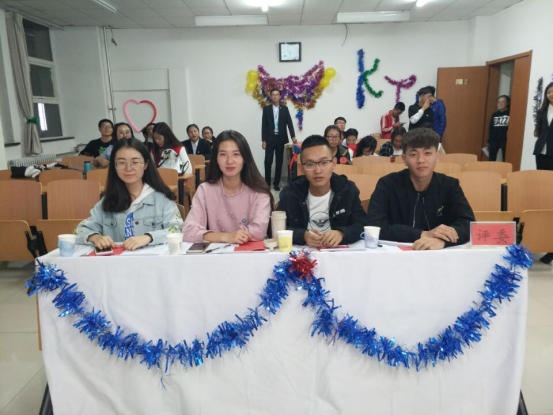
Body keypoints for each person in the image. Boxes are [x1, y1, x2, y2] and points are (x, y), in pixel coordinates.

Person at [367, 128, 474, 250]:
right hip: (396, 255)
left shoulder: (450, 185)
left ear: (437, 156)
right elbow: (374, 225)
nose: (420, 160)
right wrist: (423, 234)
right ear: (404, 159)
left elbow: (468, 224)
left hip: (440, 255)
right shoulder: (387, 184)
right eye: (413, 154)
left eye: (427, 153)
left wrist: (442, 241)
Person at [75, 138, 182, 250]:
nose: (128, 168)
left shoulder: (162, 199)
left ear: (145, 164)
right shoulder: (107, 201)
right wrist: (96, 237)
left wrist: (149, 237)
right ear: (114, 166)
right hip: (117, 260)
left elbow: (178, 229)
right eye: (121, 163)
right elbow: (80, 230)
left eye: (135, 162)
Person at [182, 130, 272, 244]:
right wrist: (225, 236)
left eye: (236, 154)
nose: (229, 161)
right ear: (216, 158)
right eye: (223, 154)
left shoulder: (259, 191)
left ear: (245, 158)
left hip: (249, 253)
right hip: (215, 254)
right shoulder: (205, 190)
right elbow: (188, 231)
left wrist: (216, 236)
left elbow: (258, 232)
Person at [277, 135, 366, 247]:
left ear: (333, 164)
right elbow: (276, 228)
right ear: (301, 168)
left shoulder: (347, 189)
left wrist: (342, 233)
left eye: (324, 163)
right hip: (302, 253)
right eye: (310, 164)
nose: (318, 171)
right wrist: (302, 236)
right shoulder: (290, 192)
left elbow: (361, 223)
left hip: (338, 252)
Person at [261, 88, 296, 191]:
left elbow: (289, 123)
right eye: (273, 94)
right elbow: (264, 125)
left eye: (277, 94)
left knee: (279, 161)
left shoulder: (284, 109)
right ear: (271, 97)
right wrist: (263, 140)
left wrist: (293, 136)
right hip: (269, 139)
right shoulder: (266, 109)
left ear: (280, 97)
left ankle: (276, 183)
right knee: (268, 161)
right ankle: (267, 183)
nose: (275, 96)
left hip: (280, 139)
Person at [534, 82, 553, 171]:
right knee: (541, 176)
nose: (551, 94)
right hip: (541, 150)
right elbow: (540, 130)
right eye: (549, 92)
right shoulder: (541, 111)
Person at [488, 95, 510, 162]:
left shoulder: (510, 113)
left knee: (506, 158)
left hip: (505, 139)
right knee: (491, 158)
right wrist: (489, 140)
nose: (500, 104)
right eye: (499, 102)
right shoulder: (494, 114)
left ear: (507, 103)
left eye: (503, 102)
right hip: (494, 139)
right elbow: (491, 128)